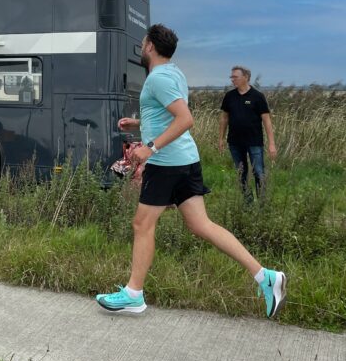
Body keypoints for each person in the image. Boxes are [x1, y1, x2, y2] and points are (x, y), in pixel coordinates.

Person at [95, 24, 287, 318]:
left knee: (142, 225)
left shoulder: (158, 78)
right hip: (184, 161)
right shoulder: (175, 73)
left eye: (144, 42)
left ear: (150, 47)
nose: (142, 46)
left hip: (166, 164)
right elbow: (168, 115)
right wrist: (138, 125)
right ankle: (266, 277)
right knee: (201, 226)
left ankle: (134, 294)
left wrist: (150, 148)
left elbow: (185, 119)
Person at [219, 66, 276, 203]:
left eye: (235, 77)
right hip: (235, 142)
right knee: (241, 173)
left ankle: (262, 204)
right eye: (231, 77)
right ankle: (248, 203)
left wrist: (271, 143)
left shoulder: (257, 97)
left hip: (254, 142)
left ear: (246, 77)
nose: (232, 80)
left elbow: (267, 120)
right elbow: (224, 118)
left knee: (258, 172)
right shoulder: (229, 96)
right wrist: (220, 138)